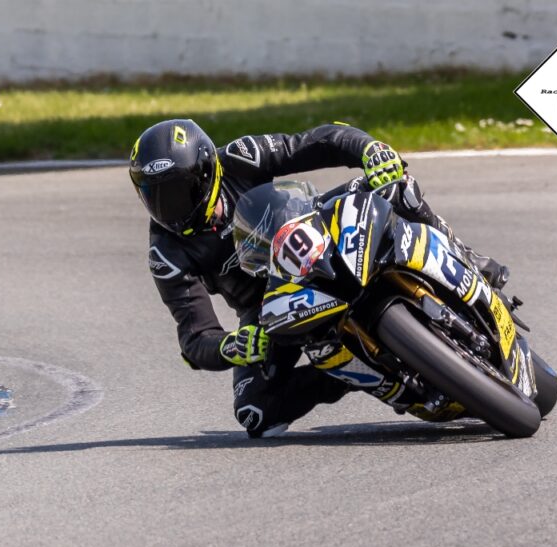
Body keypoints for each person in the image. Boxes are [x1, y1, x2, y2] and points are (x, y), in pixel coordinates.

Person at [129, 119, 505, 437]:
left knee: (396, 186)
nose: (168, 208)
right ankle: (357, 370)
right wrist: (229, 346)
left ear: (207, 172)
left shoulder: (241, 156)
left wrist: (369, 149)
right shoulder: (166, 254)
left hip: (313, 230)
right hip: (269, 307)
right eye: (153, 195)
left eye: (177, 191)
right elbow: (195, 338)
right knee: (255, 412)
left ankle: (466, 256)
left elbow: (319, 140)